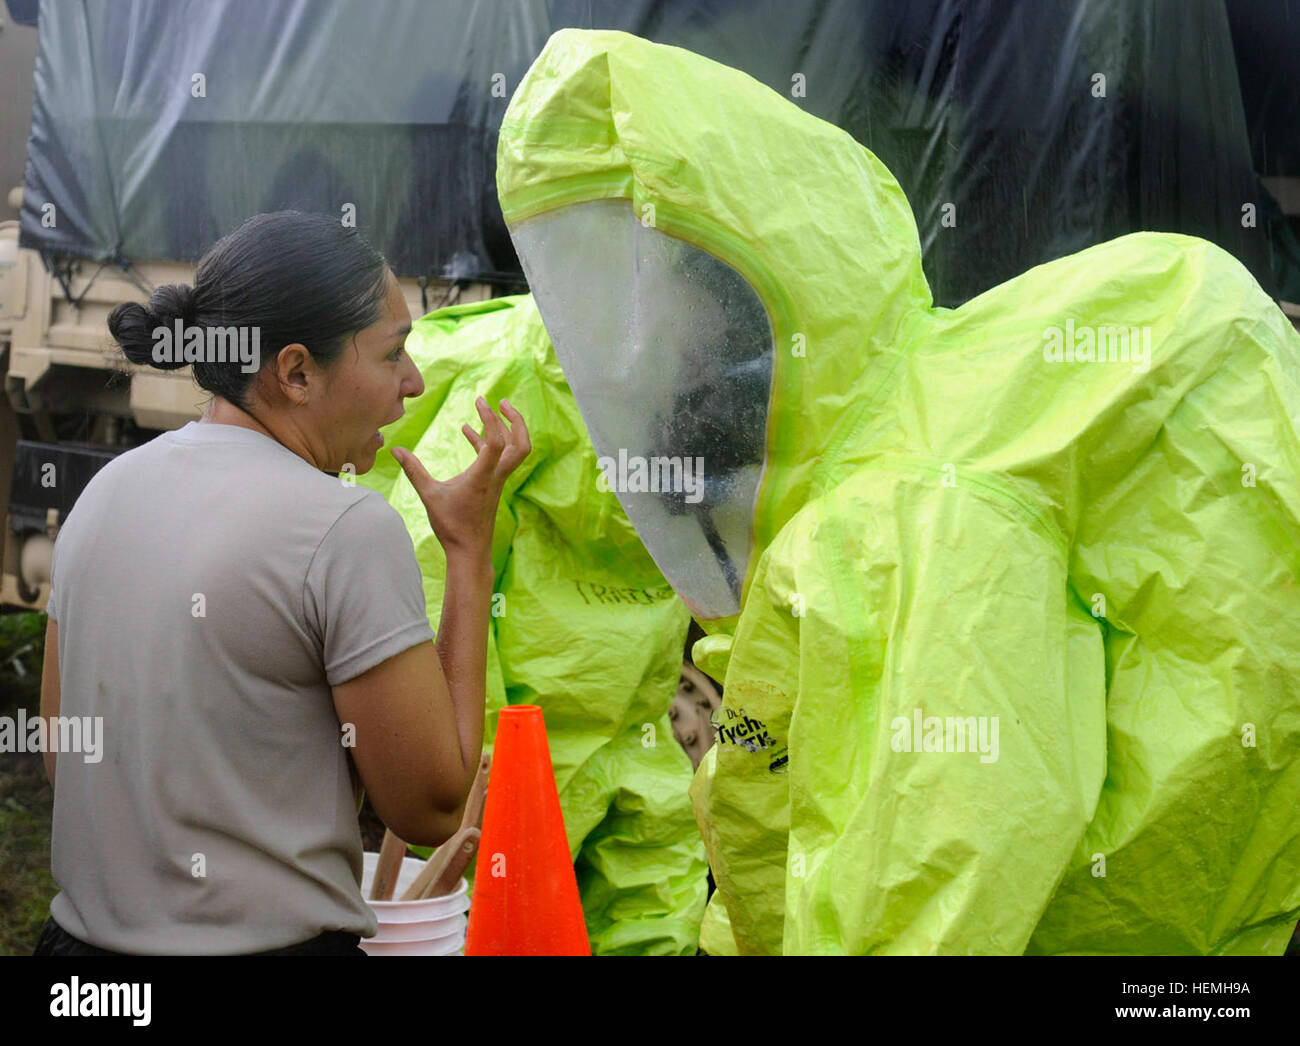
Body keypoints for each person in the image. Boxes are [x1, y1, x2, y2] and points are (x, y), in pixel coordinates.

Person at [33, 210, 530, 956]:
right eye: (393, 354)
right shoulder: (343, 529)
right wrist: (468, 553)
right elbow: (432, 809)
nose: (415, 383)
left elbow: (61, 753)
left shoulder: (105, 492)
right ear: (296, 372)